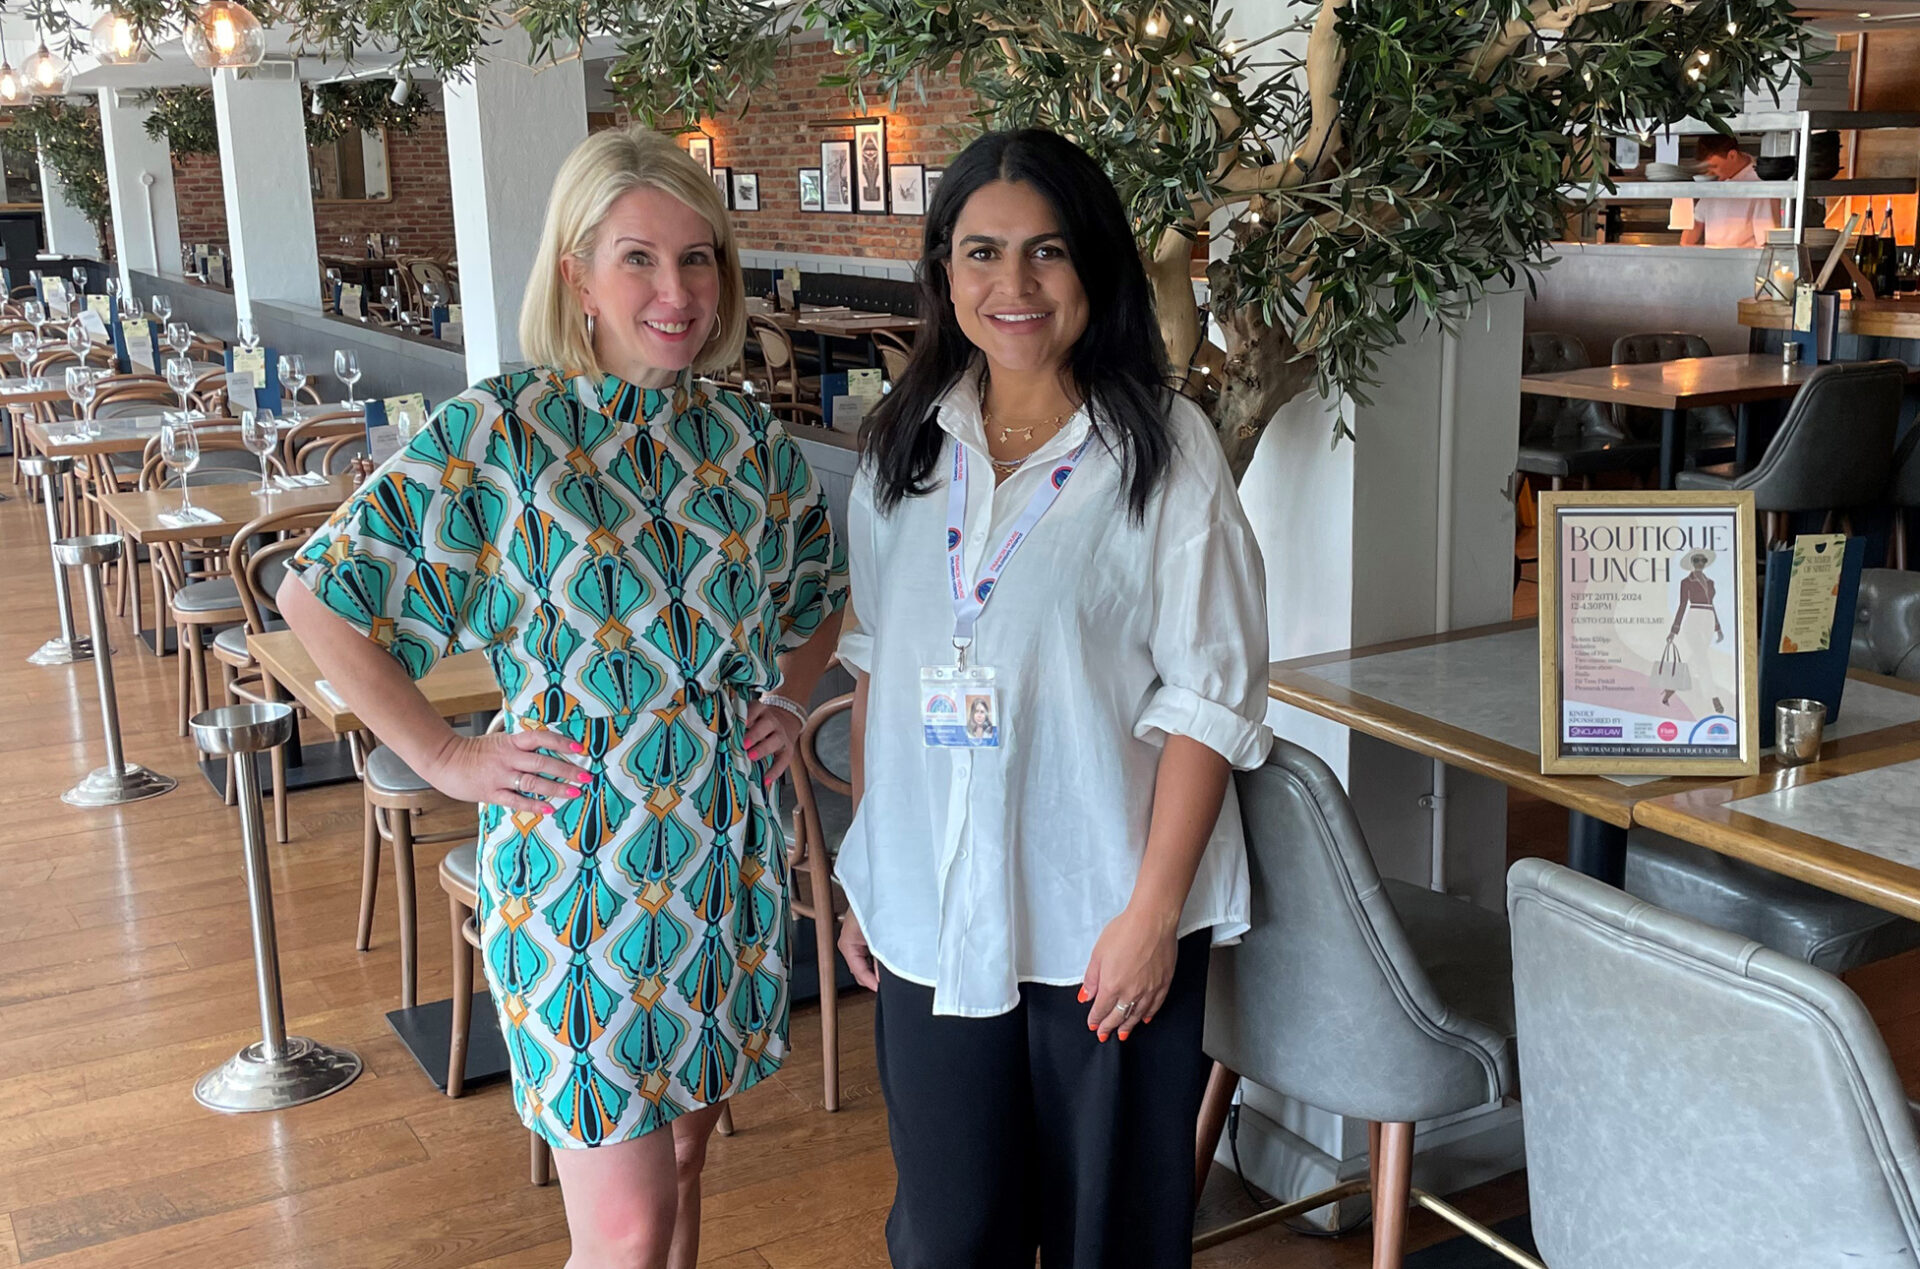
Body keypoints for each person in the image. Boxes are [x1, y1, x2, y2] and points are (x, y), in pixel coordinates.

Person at [277, 126, 847, 1269]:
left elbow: (816, 596)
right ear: (576, 272)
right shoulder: (502, 432)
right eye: (639, 258)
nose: (677, 291)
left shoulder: (745, 441)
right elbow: (318, 598)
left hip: (719, 864)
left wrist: (782, 702)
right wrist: (444, 758)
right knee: (625, 1230)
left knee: (683, 1167)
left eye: (699, 260)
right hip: (578, 877)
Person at [833, 128, 1272, 1268]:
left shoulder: (1165, 455)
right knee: (948, 1235)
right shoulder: (900, 453)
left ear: (1096, 271)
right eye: (980, 253)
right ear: (941, 271)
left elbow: (1211, 700)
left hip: (1100, 927)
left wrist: (1150, 919)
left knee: (1107, 1240)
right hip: (929, 921)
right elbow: (881, 668)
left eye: (1047, 253)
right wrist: (871, 880)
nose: (1012, 286)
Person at [1679, 135, 1778, 248]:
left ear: (1732, 155)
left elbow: (1765, 241)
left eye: (1714, 166)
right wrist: (1684, 248)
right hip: (1710, 260)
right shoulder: (1715, 179)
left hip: (1743, 261)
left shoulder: (1760, 181)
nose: (1709, 173)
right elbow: (1696, 222)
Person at [1665, 548, 1726, 716]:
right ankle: (1713, 697)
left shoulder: (1711, 582)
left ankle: (1671, 689)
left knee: (1697, 658)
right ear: (1692, 563)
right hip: (1693, 618)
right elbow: (1682, 605)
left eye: (1703, 561)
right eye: (1696, 560)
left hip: (1707, 619)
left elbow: (1711, 605)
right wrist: (1674, 631)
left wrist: (1718, 628)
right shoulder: (1686, 582)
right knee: (1703, 659)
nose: (1700, 563)